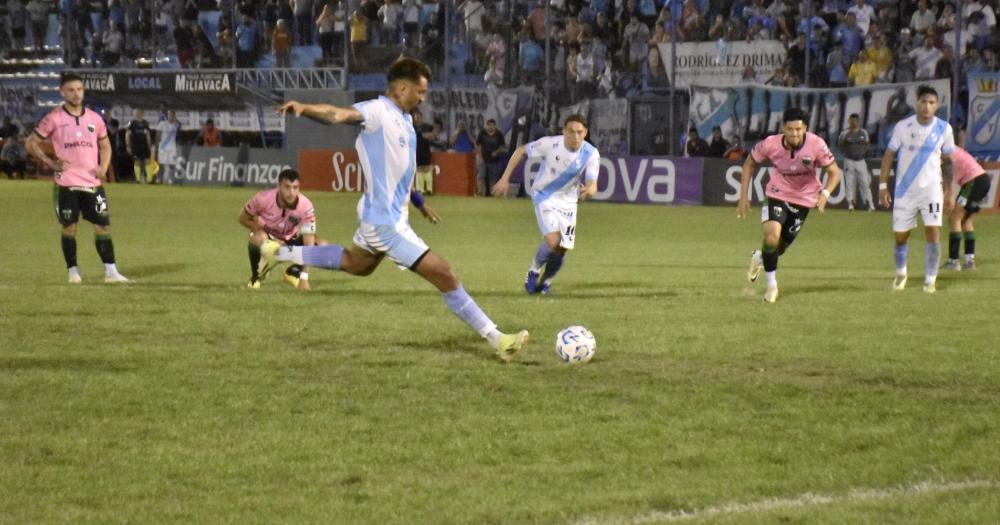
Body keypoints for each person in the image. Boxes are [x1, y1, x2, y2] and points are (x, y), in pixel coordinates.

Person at [269, 58, 528, 361]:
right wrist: (305, 108)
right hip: (386, 224)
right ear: (402, 88)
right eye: (420, 91)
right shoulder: (378, 112)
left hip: (382, 216)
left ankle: (276, 253)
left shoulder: (405, 119)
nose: (423, 97)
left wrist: (419, 204)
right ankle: (498, 339)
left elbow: (400, 174)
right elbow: (338, 114)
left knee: (356, 264)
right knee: (445, 274)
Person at [24, 73, 129, 284]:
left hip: (92, 183)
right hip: (67, 183)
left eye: (79, 89)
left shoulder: (94, 118)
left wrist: (103, 167)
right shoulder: (54, 118)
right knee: (70, 227)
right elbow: (30, 143)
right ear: (62, 92)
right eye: (71, 90)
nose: (76, 94)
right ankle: (73, 272)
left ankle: (111, 272)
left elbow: (105, 145)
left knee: (103, 226)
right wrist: (51, 163)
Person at [737, 107, 841, 303]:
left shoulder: (817, 145)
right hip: (777, 193)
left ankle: (760, 258)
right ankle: (771, 287)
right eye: (790, 129)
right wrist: (743, 196)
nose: (795, 134)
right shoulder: (770, 144)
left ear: (805, 128)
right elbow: (749, 164)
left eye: (799, 129)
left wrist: (825, 194)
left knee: (779, 248)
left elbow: (835, 172)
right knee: (771, 236)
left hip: (804, 200)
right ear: (783, 128)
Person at [491, 114, 600, 296]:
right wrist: (504, 179)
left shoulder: (591, 153)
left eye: (579, 132)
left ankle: (546, 283)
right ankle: (533, 270)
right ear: (564, 131)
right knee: (553, 240)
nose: (575, 136)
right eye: (571, 131)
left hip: (569, 202)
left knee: (562, 249)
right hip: (544, 195)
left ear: (585, 132)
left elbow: (592, 184)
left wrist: (588, 191)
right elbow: (521, 151)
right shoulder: (551, 144)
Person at [879, 85, 954, 294]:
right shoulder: (903, 126)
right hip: (905, 191)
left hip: (931, 191)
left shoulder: (944, 129)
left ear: (937, 105)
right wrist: (883, 185)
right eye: (923, 102)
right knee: (901, 236)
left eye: (931, 103)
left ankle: (930, 280)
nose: (927, 106)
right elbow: (888, 155)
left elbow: (948, 162)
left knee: (933, 232)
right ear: (917, 103)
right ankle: (901, 274)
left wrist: (950, 191)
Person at [241, 169, 325, 290]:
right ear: (279, 186)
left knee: (322, 246)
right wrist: (260, 229)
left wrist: (304, 277)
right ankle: (256, 277)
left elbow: (309, 241)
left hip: (291, 241)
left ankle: (293, 272)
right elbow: (243, 219)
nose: (291, 192)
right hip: (269, 238)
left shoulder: (306, 206)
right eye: (287, 187)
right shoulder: (262, 198)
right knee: (256, 237)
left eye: (295, 188)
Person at [944, 146, 991, 271]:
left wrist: (950, 194)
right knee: (965, 219)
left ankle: (953, 261)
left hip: (973, 182)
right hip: (981, 180)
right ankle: (970, 261)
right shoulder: (951, 147)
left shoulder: (944, 150)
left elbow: (949, 173)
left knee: (954, 218)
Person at [837, 113, 874, 211]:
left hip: (861, 161)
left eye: (855, 120)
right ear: (849, 121)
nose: (853, 122)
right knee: (849, 182)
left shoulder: (863, 133)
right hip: (849, 160)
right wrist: (846, 153)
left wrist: (862, 152)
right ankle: (850, 203)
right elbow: (840, 144)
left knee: (865, 182)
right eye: (851, 120)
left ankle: (870, 203)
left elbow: (867, 144)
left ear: (858, 121)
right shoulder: (844, 133)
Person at [476, 118, 506, 195]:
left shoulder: (499, 134)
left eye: (492, 125)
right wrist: (480, 154)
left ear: (495, 126)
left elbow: (502, 145)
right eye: (489, 125)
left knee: (493, 177)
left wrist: (496, 152)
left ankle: (492, 193)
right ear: (487, 125)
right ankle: (480, 192)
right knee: (481, 176)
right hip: (482, 158)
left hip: (494, 160)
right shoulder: (482, 132)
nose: (490, 127)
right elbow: (478, 144)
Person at [125, 108, 153, 183]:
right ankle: (138, 179)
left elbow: (148, 135)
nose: (138, 114)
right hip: (135, 146)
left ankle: (149, 179)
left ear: (142, 114)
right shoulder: (131, 123)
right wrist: (128, 145)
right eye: (136, 113)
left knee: (147, 161)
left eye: (139, 113)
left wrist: (149, 144)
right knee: (137, 162)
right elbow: (127, 134)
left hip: (145, 146)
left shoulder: (146, 123)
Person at [411, 108, 434, 194]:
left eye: (418, 116)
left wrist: (427, 136)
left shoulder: (427, 126)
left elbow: (433, 134)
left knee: (427, 168)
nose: (416, 118)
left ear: (421, 117)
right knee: (419, 169)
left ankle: (429, 189)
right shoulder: (411, 126)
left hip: (425, 149)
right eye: (415, 116)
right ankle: (420, 189)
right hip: (416, 150)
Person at [155, 110, 181, 184]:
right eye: (170, 115)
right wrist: (157, 145)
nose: (172, 117)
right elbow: (157, 135)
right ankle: (159, 178)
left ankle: (171, 180)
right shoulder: (162, 124)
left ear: (175, 116)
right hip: (163, 147)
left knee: (172, 164)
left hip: (172, 147)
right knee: (161, 164)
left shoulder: (176, 124)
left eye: (173, 115)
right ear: (167, 116)